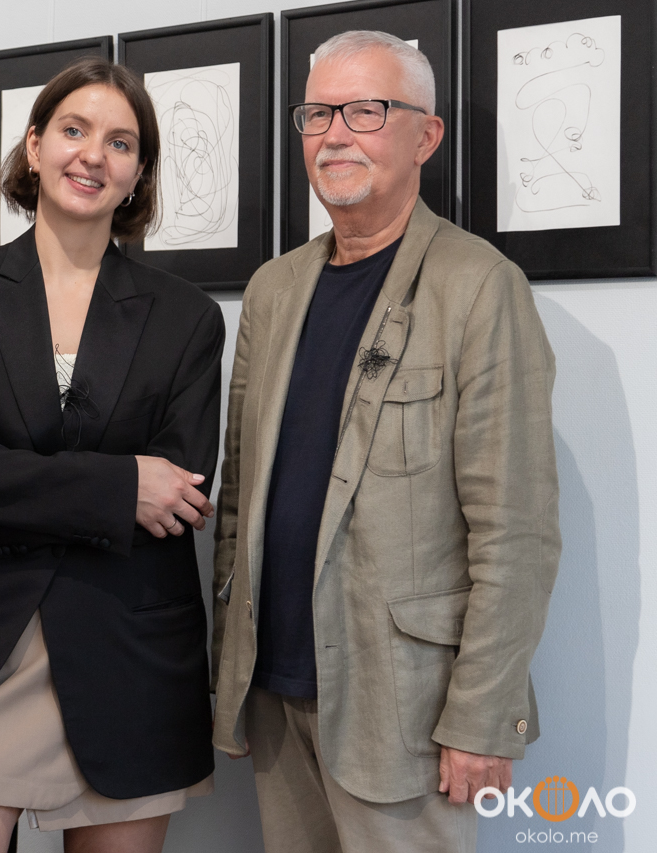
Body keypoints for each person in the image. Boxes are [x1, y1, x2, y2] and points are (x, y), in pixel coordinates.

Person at [211, 31, 560, 853]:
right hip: (275, 692)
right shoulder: (273, 288)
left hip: (406, 709)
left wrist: (482, 715)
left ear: (425, 136)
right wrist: (229, 670)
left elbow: (517, 530)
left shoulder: (479, 286)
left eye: (365, 111)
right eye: (318, 114)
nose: (335, 135)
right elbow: (238, 501)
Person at [0, 56, 225, 853]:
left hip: (130, 654)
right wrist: (118, 487)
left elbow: (176, 495)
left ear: (139, 172)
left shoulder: (187, 317)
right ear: (36, 144)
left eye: (121, 142)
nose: (93, 155)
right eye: (74, 130)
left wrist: (1, 507)